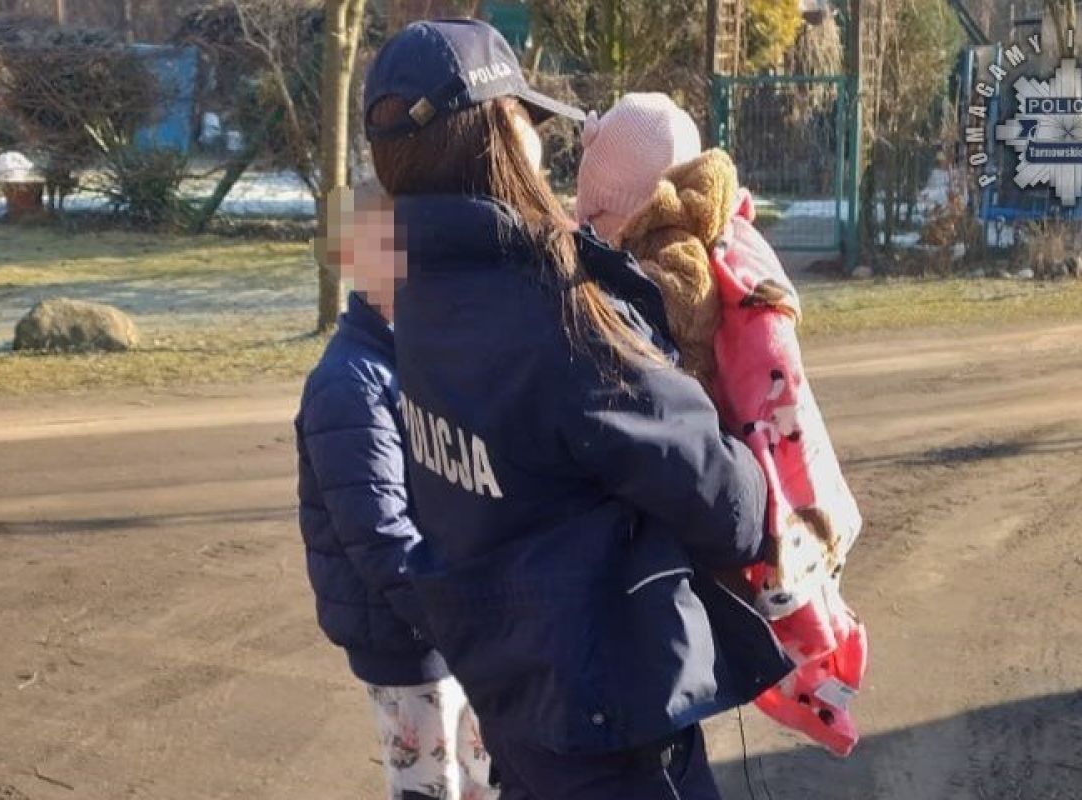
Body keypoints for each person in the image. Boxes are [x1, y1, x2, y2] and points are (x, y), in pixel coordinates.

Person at [360, 19, 792, 800]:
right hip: (611, 722)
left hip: (517, 698)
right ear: (497, 133)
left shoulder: (424, 297)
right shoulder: (555, 316)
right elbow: (732, 505)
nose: (544, 147)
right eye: (527, 119)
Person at [575, 95, 868, 755]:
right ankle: (823, 662)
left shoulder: (668, 270)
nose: (586, 227)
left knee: (755, 615)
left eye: (594, 213)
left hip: (720, 489)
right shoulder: (727, 236)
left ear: (621, 207)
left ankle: (821, 673)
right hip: (741, 472)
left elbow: (666, 386)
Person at [295, 186, 496, 800]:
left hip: (457, 625)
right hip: (407, 637)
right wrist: (459, 619)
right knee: (433, 786)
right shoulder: (348, 382)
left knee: (489, 778)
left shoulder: (415, 357)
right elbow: (379, 533)